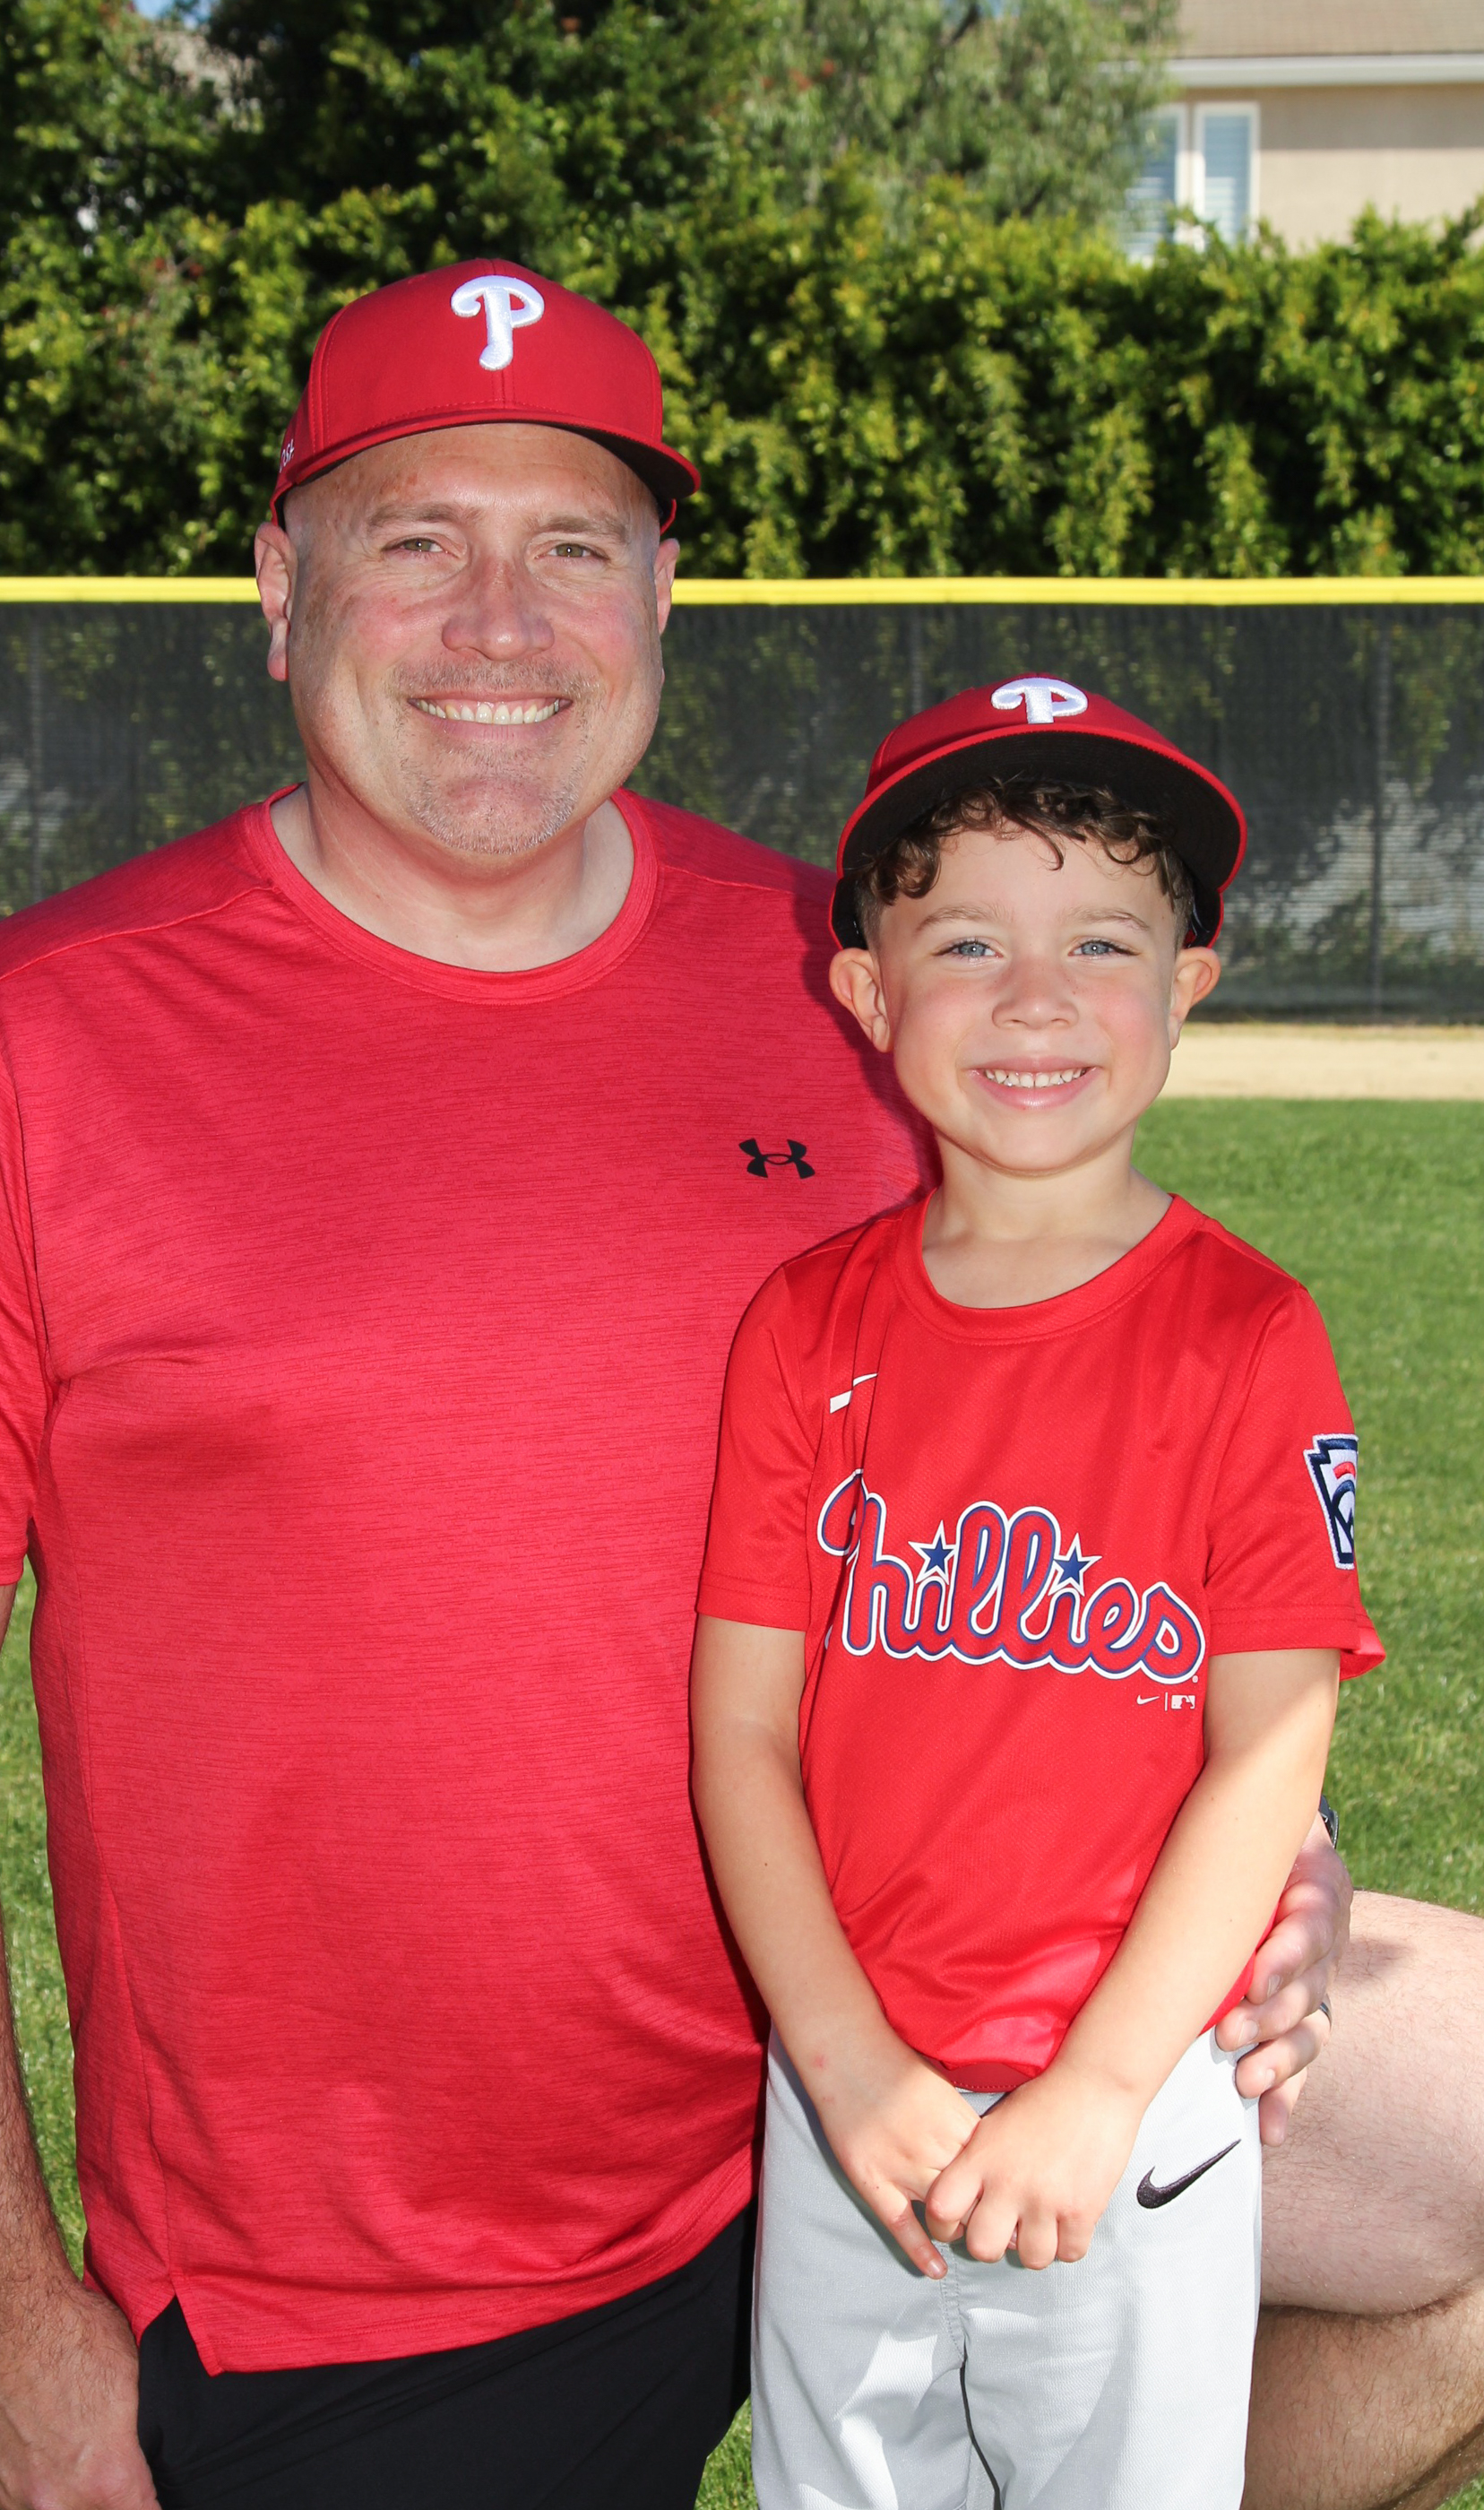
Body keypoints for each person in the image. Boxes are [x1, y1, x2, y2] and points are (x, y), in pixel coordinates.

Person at [0, 261, 1482, 2510]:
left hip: (923, 2030)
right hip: (378, 2272)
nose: (499, 618)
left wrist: (1270, 1834)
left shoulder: (850, 976)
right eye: (416, 537)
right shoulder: (26, 1047)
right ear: (278, 590)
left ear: (657, 597)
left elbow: (1114, 1436)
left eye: (572, 542)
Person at [690, 685, 1382, 2507]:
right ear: (867, 991)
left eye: (1103, 943)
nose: (1035, 997)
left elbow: (1270, 1749)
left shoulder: (1249, 1334)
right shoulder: (804, 1327)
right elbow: (742, 1735)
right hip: (853, 2094)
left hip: (1134, 2099)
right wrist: (844, 2068)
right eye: (968, 941)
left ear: (1190, 983)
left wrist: (1095, 2091)